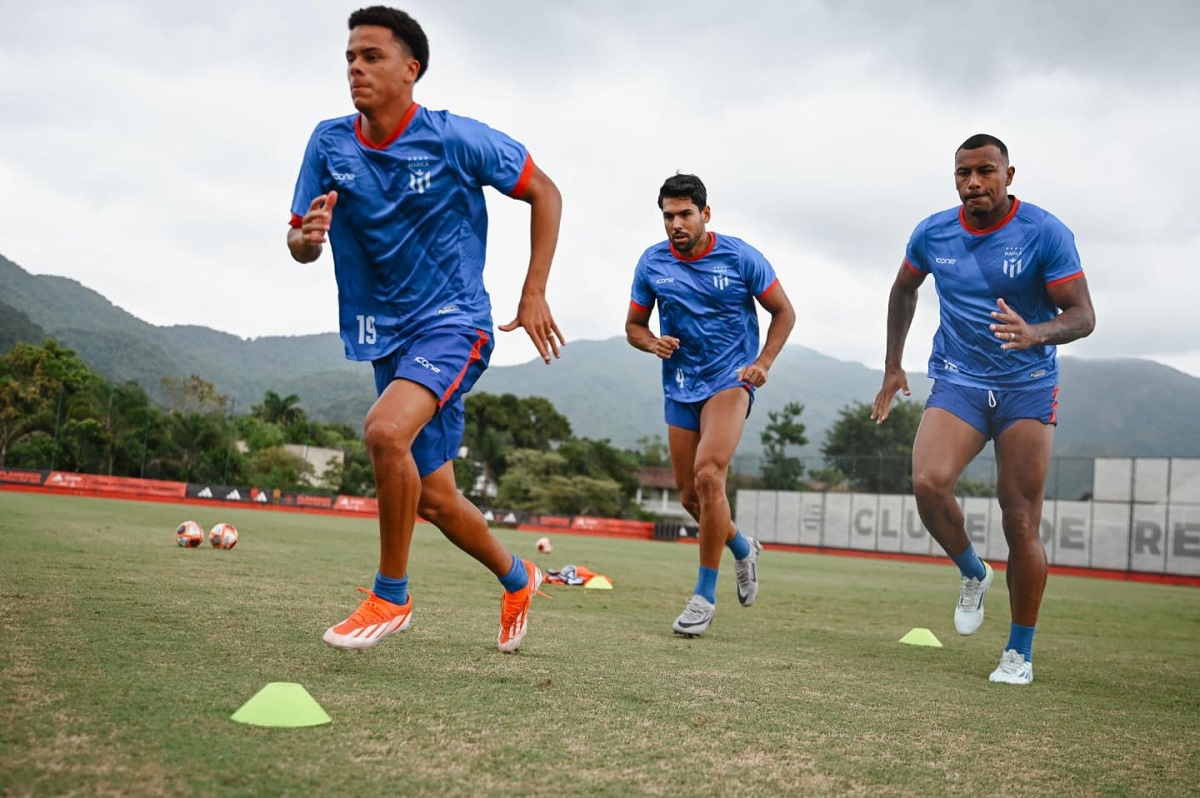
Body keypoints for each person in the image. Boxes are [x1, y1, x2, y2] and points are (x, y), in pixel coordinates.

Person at [287, 6, 564, 653]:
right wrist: (307, 238)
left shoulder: (454, 139)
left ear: (410, 69)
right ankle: (519, 577)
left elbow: (545, 191)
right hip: (386, 335)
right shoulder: (329, 143)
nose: (356, 67)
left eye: (372, 56)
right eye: (350, 57)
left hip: (455, 322)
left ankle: (391, 596)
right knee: (434, 499)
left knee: (385, 431)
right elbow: (299, 242)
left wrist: (533, 292)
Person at [872, 134, 1096, 684]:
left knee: (1019, 518)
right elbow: (904, 290)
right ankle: (973, 573)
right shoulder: (933, 231)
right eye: (963, 173)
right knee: (927, 481)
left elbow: (1083, 315)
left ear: (1008, 175)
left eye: (985, 171)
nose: (973, 183)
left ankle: (1019, 652)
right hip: (959, 378)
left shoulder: (1044, 232)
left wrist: (1035, 332)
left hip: (1028, 384)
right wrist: (893, 365)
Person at [626, 173, 796, 636]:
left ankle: (703, 595)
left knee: (708, 475)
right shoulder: (651, 263)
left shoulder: (740, 257)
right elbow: (634, 328)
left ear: (705, 213)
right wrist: (651, 344)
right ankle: (743, 547)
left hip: (730, 380)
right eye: (667, 216)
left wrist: (762, 362)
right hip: (680, 385)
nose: (675, 224)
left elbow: (784, 311)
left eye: (684, 214)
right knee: (689, 496)